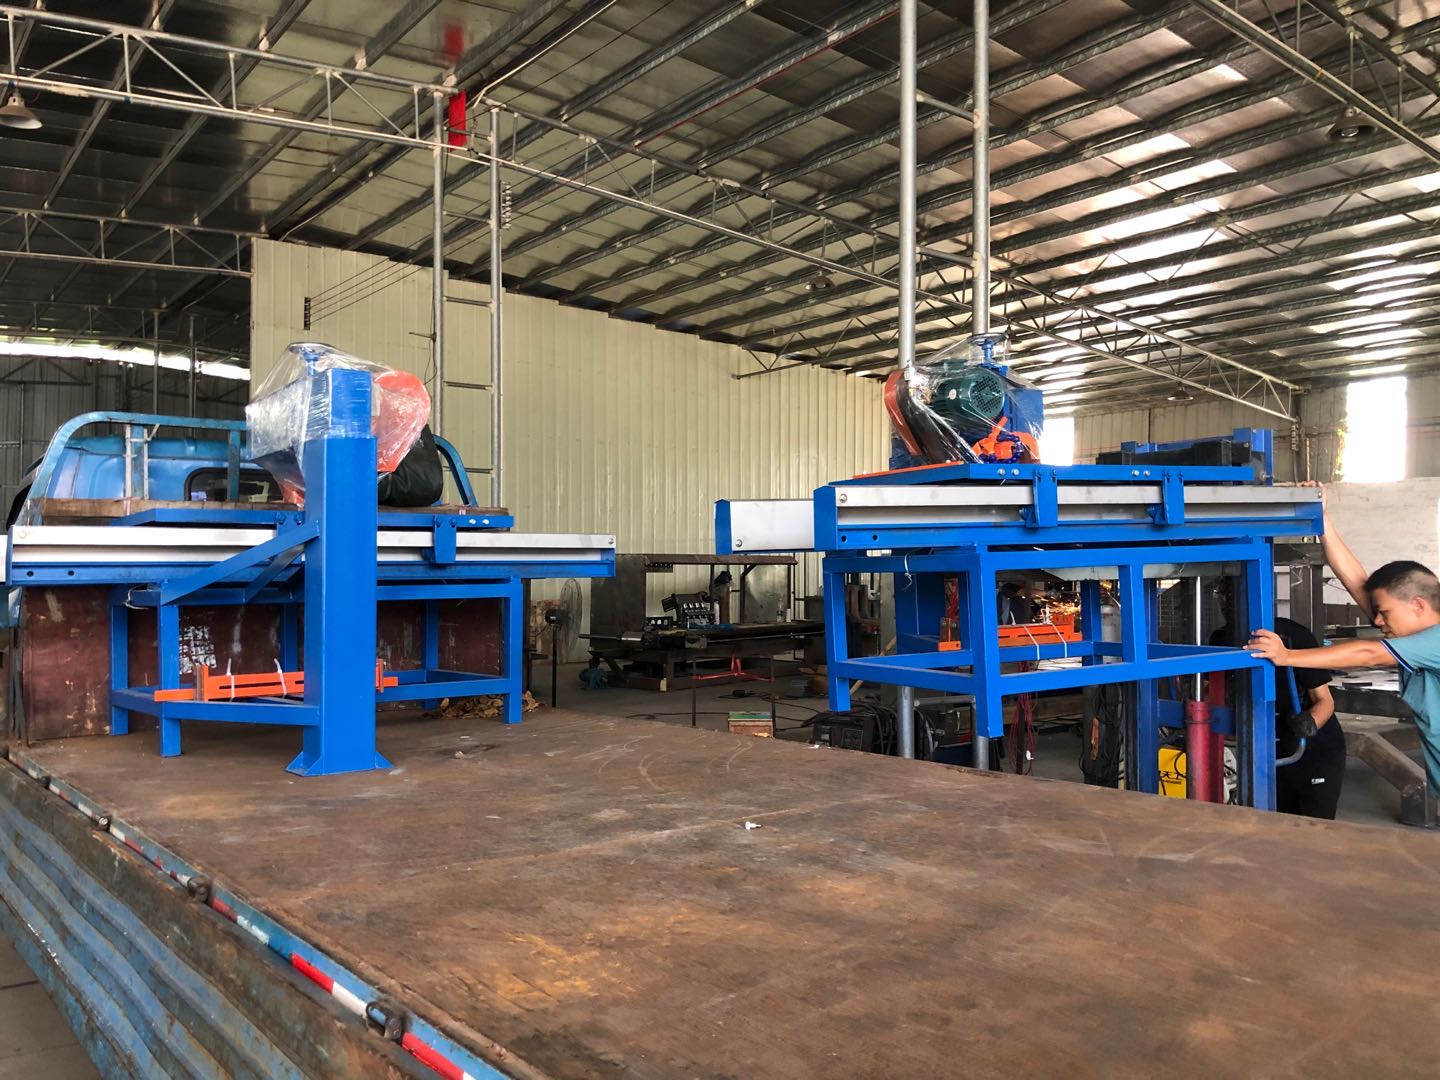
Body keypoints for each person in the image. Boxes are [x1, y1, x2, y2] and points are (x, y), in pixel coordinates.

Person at [1248, 485, 1440, 806]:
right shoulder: (1414, 635)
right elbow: (1358, 583)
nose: (1376, 620)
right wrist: (1323, 521)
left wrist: (1286, 655)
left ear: (1418, 605)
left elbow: (1369, 653)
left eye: (1385, 613)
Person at [1211, 609, 1342, 818]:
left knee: (1316, 827)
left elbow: (1325, 701)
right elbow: (1216, 691)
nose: (1228, 601)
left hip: (1313, 749)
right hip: (1263, 749)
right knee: (1274, 824)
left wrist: (1310, 722)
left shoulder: (1292, 635)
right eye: (1222, 594)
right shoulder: (1221, 639)